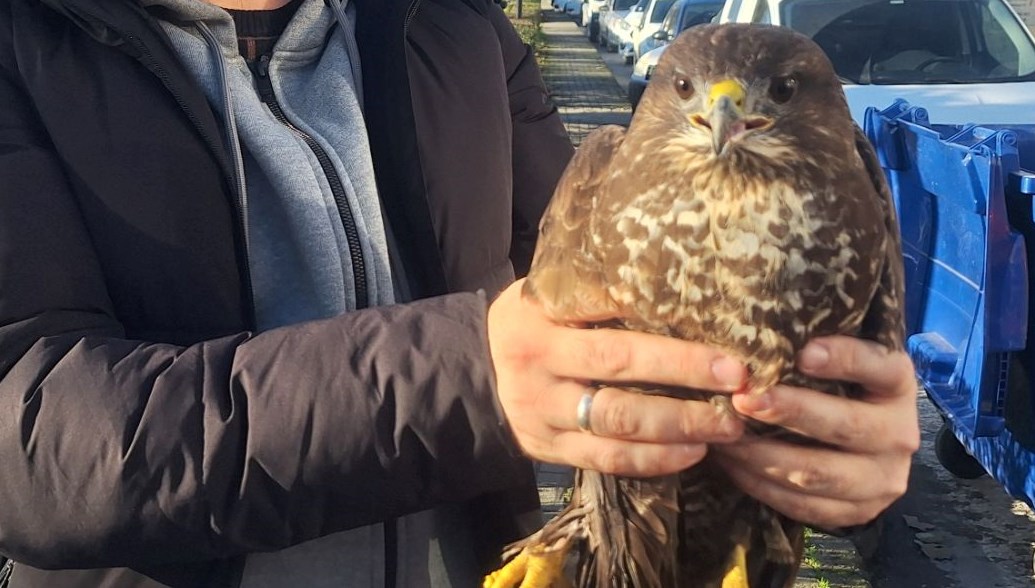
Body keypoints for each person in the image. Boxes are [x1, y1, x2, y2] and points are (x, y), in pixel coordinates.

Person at [0, 0, 920, 586]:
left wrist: (826, 440)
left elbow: (609, 310)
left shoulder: (455, 28)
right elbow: (30, 440)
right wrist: (470, 374)